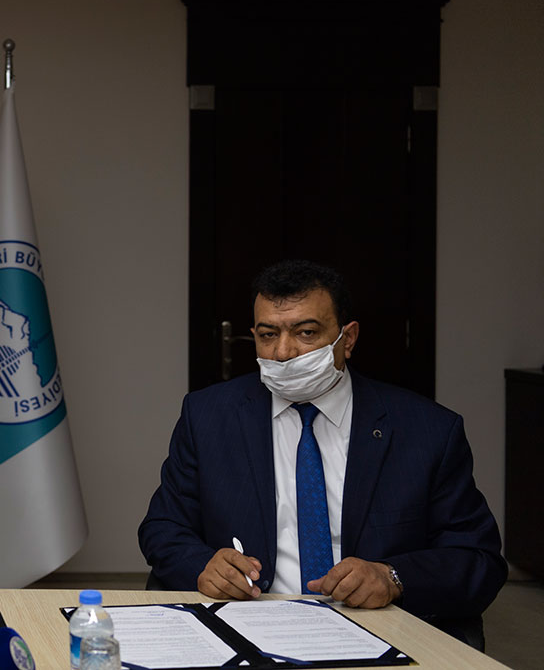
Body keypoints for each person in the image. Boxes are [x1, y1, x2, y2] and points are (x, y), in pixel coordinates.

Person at [138, 259, 505, 648]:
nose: (283, 352)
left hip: (378, 627)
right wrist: (202, 566)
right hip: (248, 622)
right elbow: (163, 526)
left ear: (348, 338)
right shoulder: (208, 417)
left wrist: (393, 578)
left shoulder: (427, 430)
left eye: (306, 332)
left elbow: (477, 558)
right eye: (268, 335)